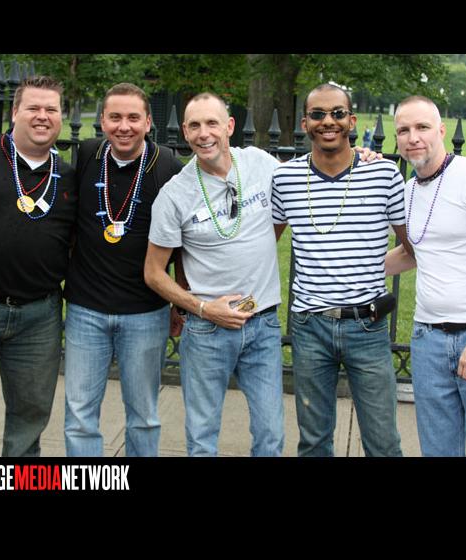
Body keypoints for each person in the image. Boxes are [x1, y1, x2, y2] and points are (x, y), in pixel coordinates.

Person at [271, 83, 413, 457]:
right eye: (318, 114)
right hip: (309, 326)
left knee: (383, 442)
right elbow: (264, 244)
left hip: (367, 326)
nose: (328, 121)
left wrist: (367, 266)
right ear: (305, 123)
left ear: (351, 120)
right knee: (314, 441)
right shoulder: (285, 179)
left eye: (337, 113)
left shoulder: (383, 174)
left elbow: (413, 246)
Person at [143, 92, 285, 457]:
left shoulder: (260, 164)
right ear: (185, 132)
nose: (203, 133)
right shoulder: (175, 194)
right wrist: (204, 309)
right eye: (194, 125)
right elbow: (154, 273)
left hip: (262, 323)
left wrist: (360, 155)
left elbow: (309, 178)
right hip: (207, 331)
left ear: (230, 126)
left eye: (212, 123)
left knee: (271, 434)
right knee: (202, 438)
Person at [63, 83, 184, 457]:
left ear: (148, 122)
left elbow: (185, 241)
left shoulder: (167, 166)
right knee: (80, 416)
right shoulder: (87, 154)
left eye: (133, 117)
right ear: (102, 121)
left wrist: (179, 300)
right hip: (85, 310)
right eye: (115, 117)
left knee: (143, 416)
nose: (124, 126)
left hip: (145, 312)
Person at [0, 76, 77, 456]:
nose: (42, 116)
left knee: (29, 423)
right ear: (15, 112)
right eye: (33, 107)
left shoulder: (68, 177)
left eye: (51, 109)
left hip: (38, 318)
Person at [386, 95, 466, 457]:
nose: (413, 137)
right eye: (403, 130)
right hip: (427, 341)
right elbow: (413, 253)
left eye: (422, 127)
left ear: (441, 130)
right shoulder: (407, 192)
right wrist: (353, 269)